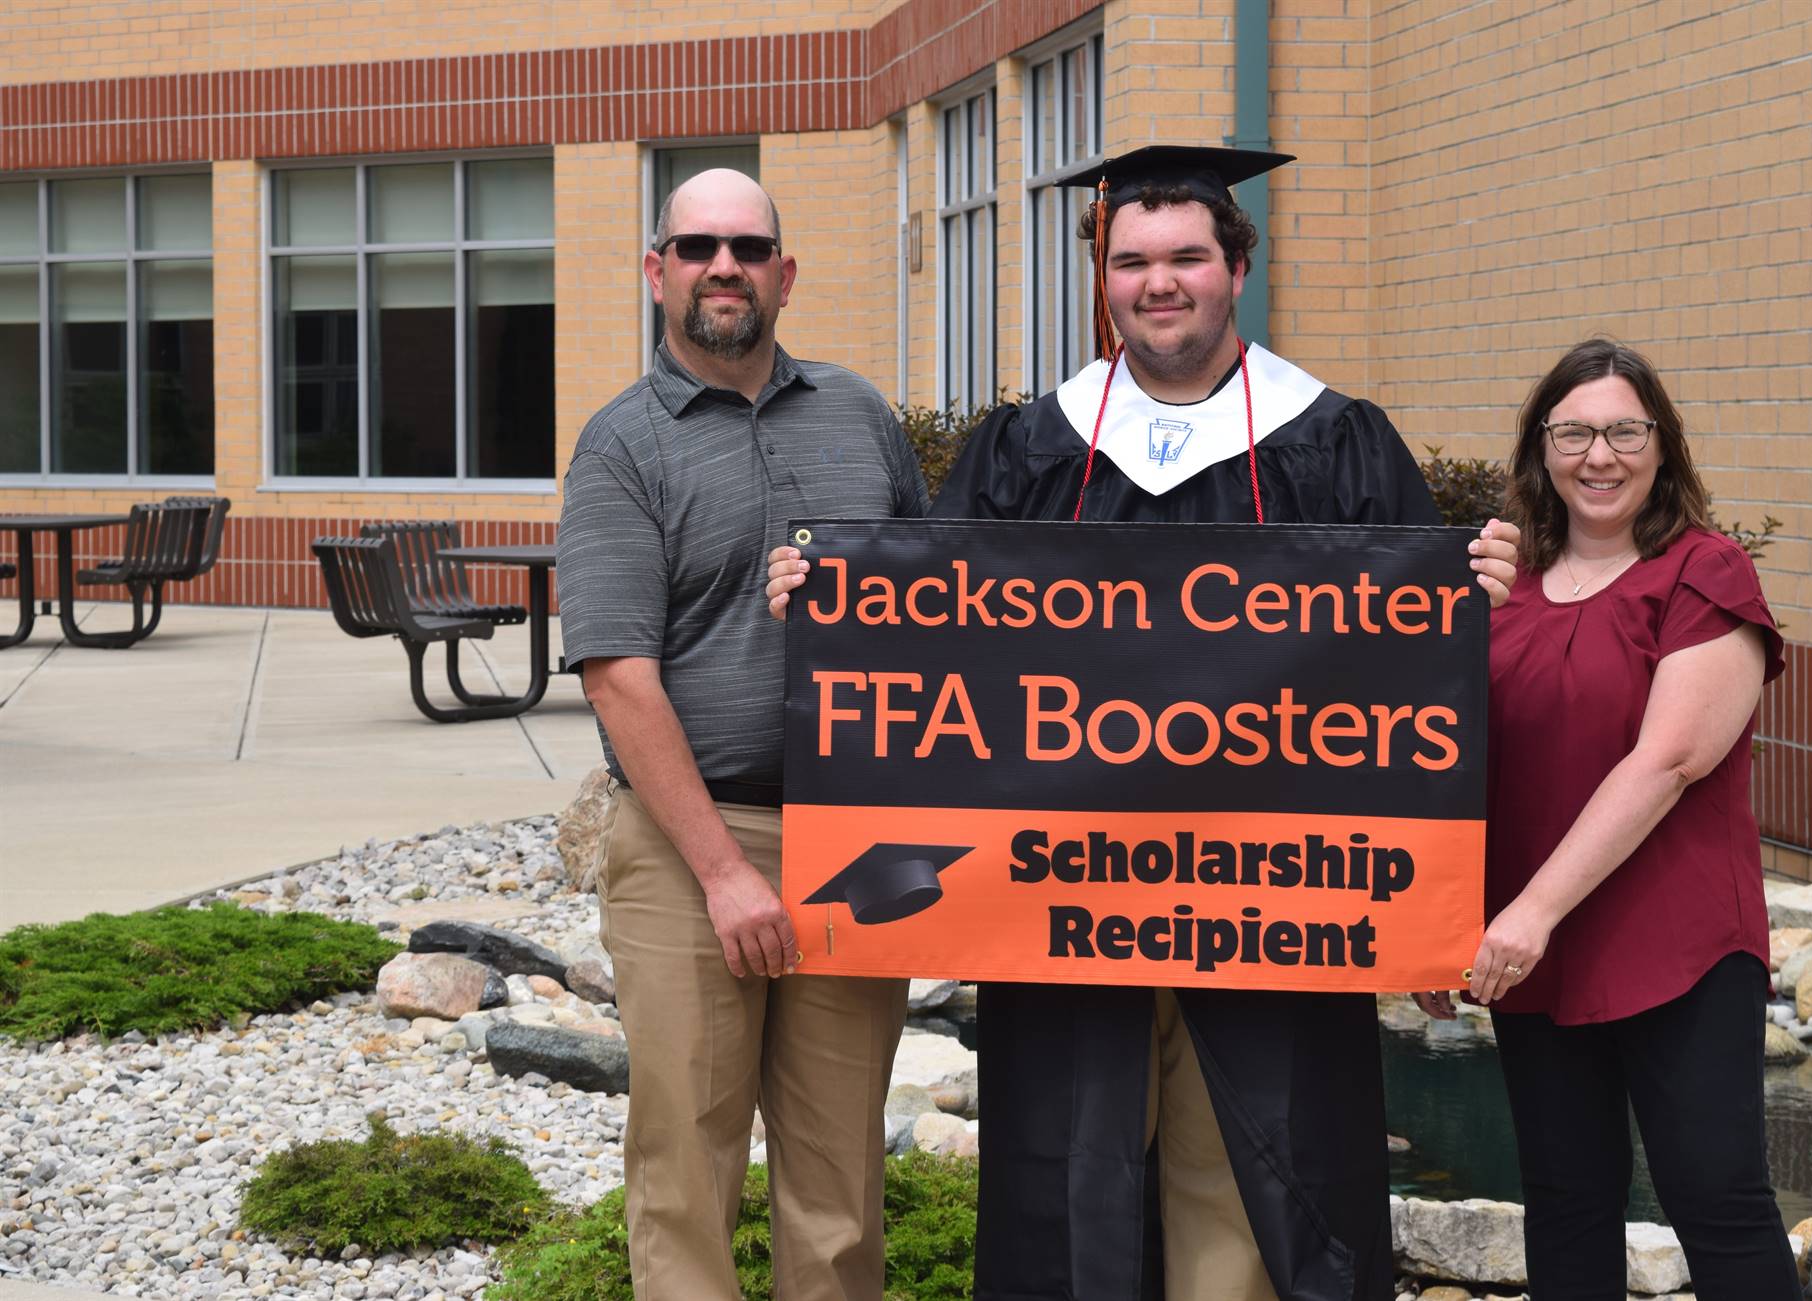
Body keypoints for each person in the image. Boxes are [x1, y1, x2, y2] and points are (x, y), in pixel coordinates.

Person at [770, 145, 1520, 1301]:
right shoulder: (1030, 447)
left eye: (1184, 258)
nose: (1157, 283)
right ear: (1102, 278)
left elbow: (1416, 691)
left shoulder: (1338, 440)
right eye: (1131, 262)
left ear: (1236, 268)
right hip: (1061, 898)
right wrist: (836, 608)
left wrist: (1470, 599)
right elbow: (938, 649)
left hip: (1273, 902)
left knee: (1260, 1180)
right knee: (1074, 1171)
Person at [558, 167, 929, 1301]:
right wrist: (724, 872)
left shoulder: (863, 416)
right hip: (689, 847)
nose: (725, 265)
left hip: (857, 843)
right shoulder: (622, 444)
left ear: (785, 272)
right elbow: (619, 676)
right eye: (699, 245)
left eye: (748, 247)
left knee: (839, 1177)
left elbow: (945, 604)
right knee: (686, 1165)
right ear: (657, 269)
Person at [1414, 338, 1796, 1300]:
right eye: (1575, 431)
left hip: (1677, 941)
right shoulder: (1501, 591)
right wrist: (1429, 930)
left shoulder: (1703, 573)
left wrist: (1528, 914)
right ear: (1541, 447)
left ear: (1663, 445)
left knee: (1715, 1196)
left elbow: (1667, 761)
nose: (1601, 455)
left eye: (1626, 430)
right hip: (1534, 946)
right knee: (1566, 1199)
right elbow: (1427, 755)